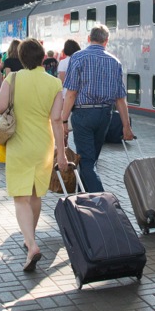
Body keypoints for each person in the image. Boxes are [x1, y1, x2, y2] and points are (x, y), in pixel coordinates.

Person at [0, 38, 67, 272]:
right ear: (44, 57)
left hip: (19, 145)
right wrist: (61, 154)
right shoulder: (54, 83)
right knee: (35, 195)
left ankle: (31, 243)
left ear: (21, 58)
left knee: (20, 197)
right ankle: (29, 238)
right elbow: (57, 120)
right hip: (43, 145)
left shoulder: (12, 78)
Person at [60, 25, 133, 193]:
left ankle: (101, 200)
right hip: (105, 114)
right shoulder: (114, 62)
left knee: (86, 161)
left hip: (83, 114)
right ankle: (83, 198)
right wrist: (126, 126)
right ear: (106, 41)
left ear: (88, 38)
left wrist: (63, 120)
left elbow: (71, 93)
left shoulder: (77, 58)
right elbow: (120, 99)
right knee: (91, 160)